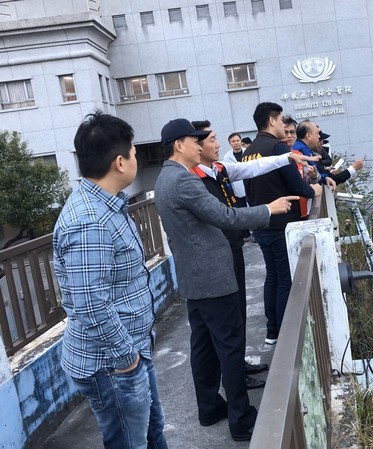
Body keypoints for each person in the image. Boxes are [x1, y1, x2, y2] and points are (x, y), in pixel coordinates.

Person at [153, 118, 298, 442]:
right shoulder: (184, 181)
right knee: (230, 348)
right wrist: (268, 209)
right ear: (180, 145)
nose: (201, 144)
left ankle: (210, 407)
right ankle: (241, 419)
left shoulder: (164, 179)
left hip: (192, 278)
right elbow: (225, 217)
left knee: (203, 346)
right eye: (196, 140)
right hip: (215, 278)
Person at [53, 111, 168, 449]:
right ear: (120, 162)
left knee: (152, 433)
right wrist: (127, 360)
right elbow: (90, 304)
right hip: (113, 365)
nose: (137, 157)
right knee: (129, 443)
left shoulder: (107, 206)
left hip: (131, 352)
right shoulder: (90, 222)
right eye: (134, 152)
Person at [243, 102, 322, 345]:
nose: (282, 126)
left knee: (272, 276)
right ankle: (285, 333)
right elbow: (295, 185)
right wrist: (313, 189)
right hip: (281, 222)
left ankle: (272, 331)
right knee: (285, 278)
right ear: (271, 120)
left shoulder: (249, 151)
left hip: (260, 222)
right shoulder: (277, 147)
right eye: (280, 121)